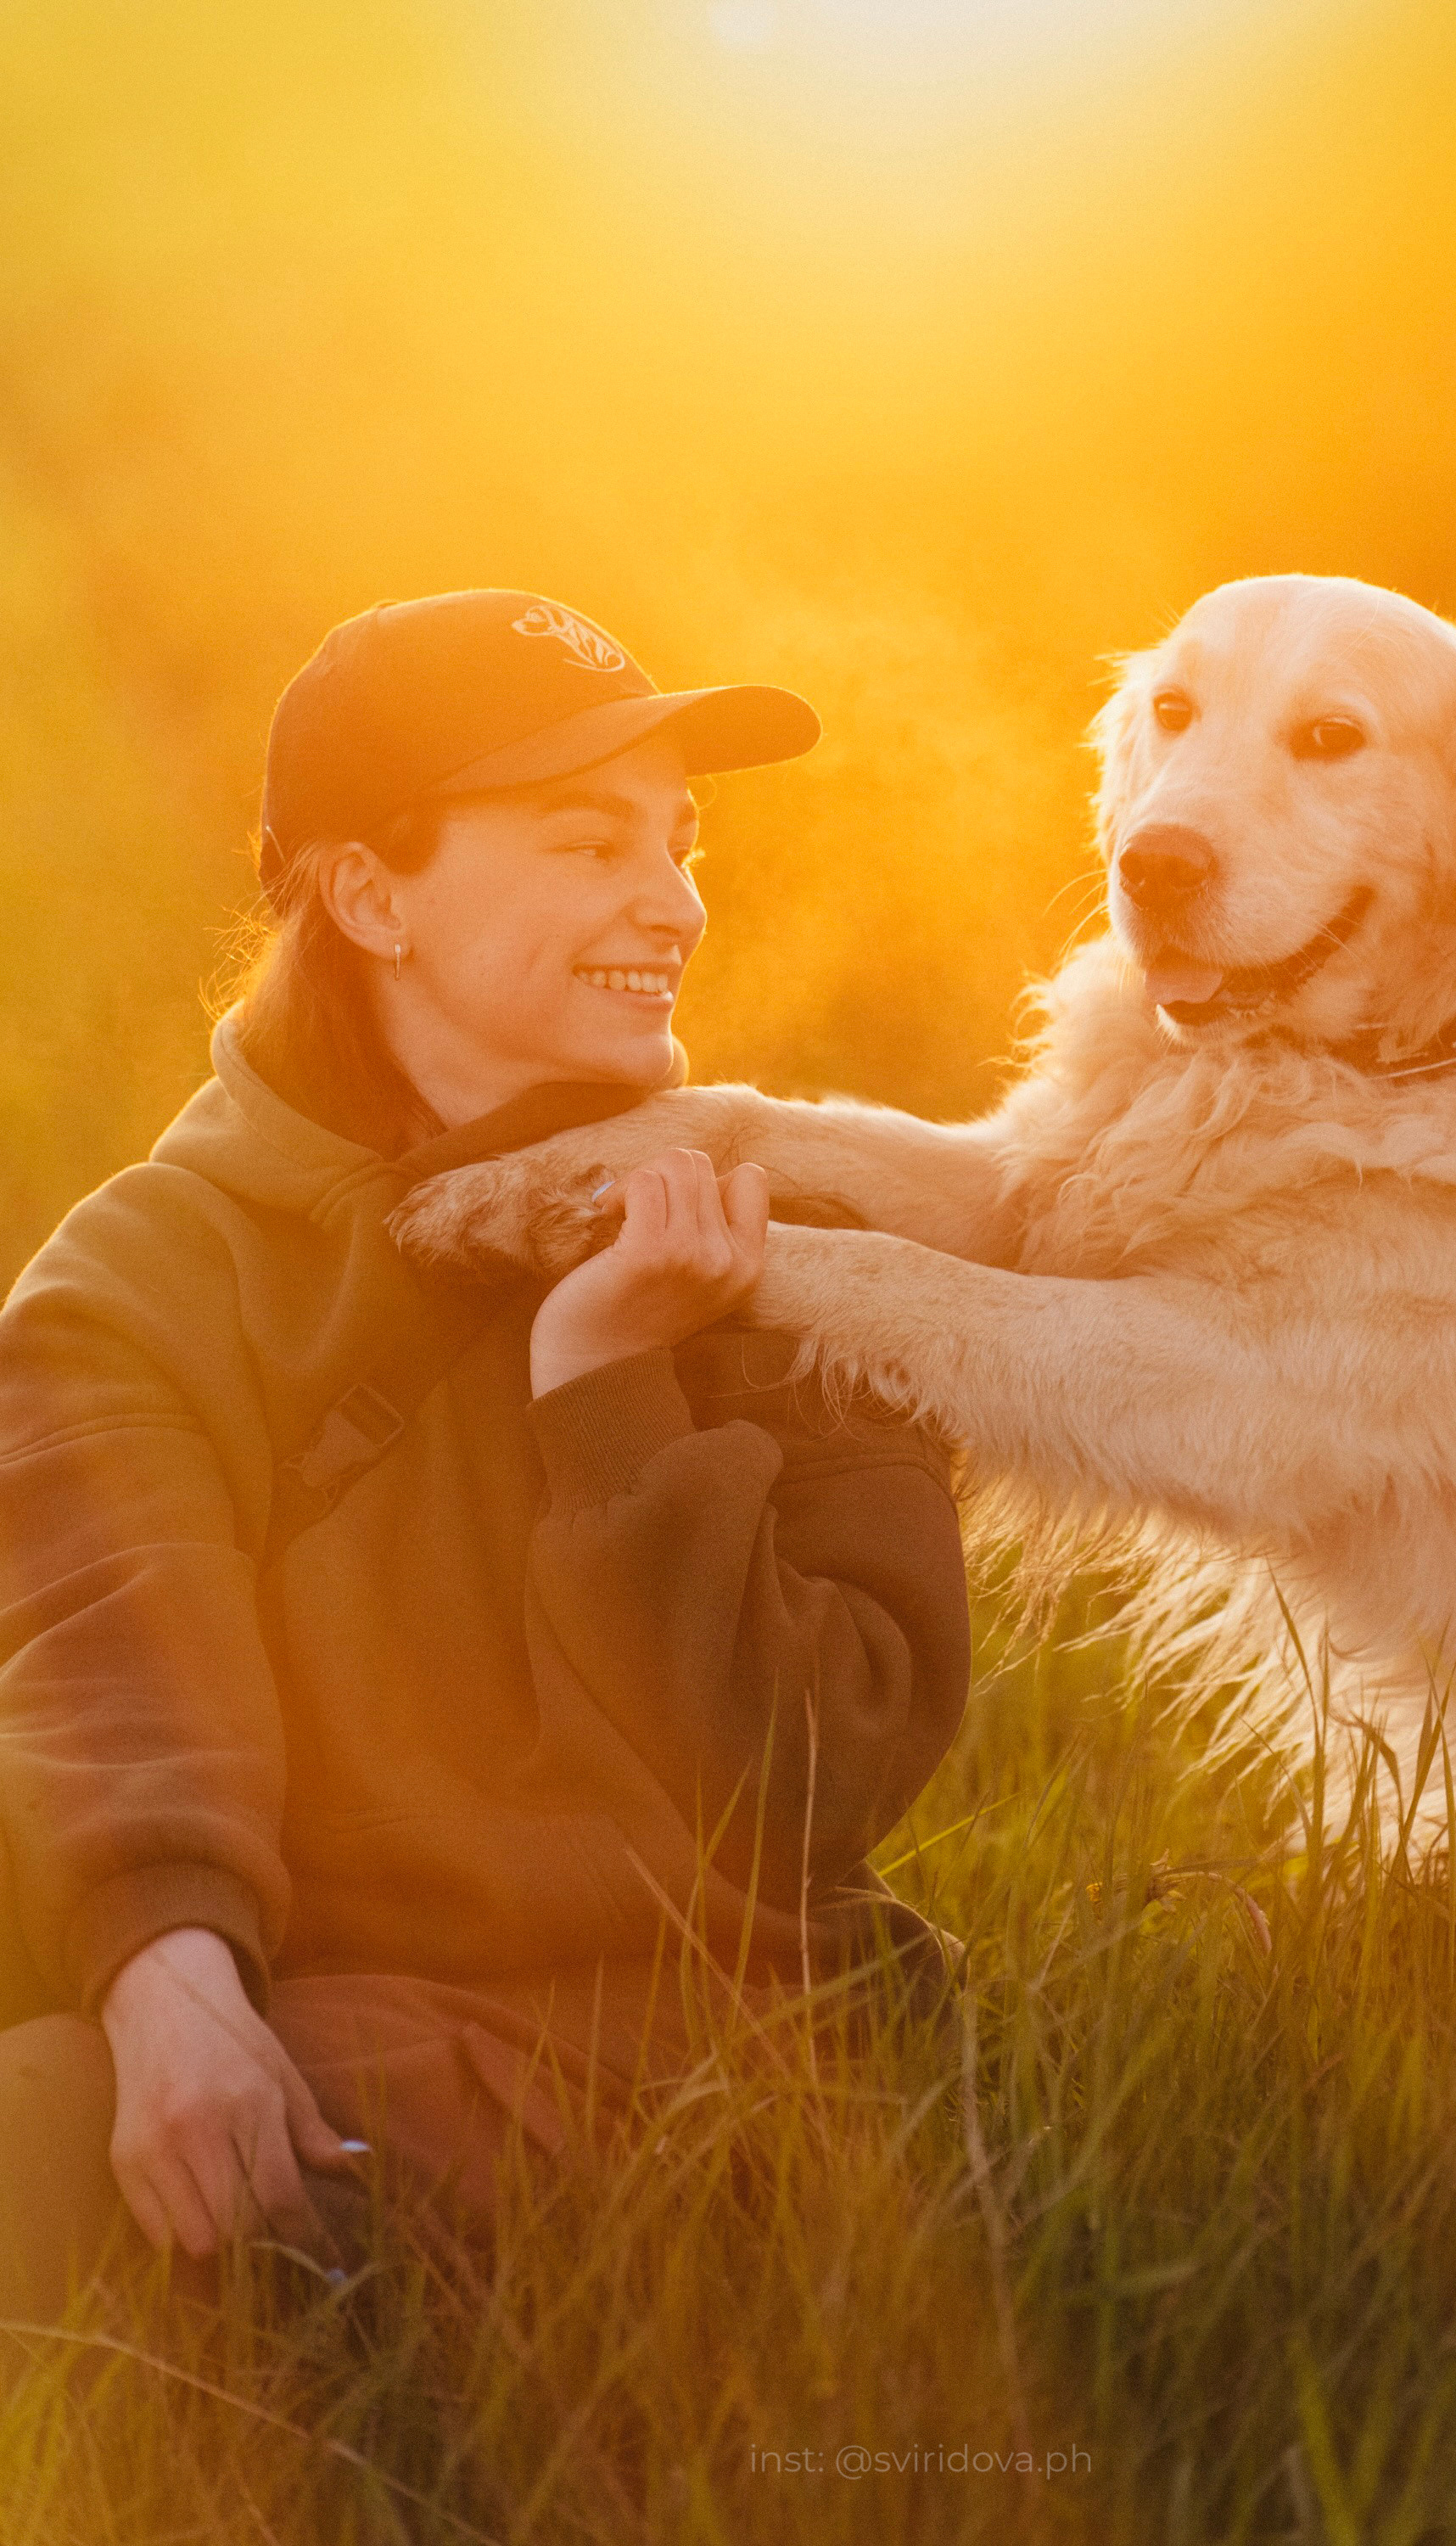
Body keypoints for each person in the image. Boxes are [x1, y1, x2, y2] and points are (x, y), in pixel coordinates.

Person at [0, 590, 972, 2314]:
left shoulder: (790, 1237)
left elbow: (821, 1775)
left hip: (708, 2052)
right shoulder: (141, 1274)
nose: (669, 902)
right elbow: (109, 1653)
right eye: (590, 843)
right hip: (299, 2000)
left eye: (678, 843)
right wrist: (173, 1991)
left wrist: (604, 1387)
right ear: (370, 893)